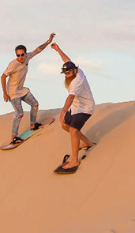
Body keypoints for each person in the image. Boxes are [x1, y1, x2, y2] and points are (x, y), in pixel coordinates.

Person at [1, 33, 56, 145]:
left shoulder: (28, 57)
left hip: (21, 90)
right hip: (13, 93)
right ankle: (13, 137)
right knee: (19, 114)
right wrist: (5, 93)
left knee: (35, 104)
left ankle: (33, 124)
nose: (20, 57)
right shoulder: (13, 64)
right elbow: (3, 77)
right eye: (18, 55)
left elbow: (38, 50)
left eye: (22, 55)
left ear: (25, 54)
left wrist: (48, 41)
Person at [50, 42, 95, 171]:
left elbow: (70, 97)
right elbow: (67, 60)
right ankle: (87, 143)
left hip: (85, 108)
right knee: (65, 126)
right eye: (65, 73)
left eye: (69, 73)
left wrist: (63, 111)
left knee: (73, 130)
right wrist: (58, 50)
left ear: (75, 71)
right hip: (75, 107)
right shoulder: (75, 69)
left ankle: (75, 161)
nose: (67, 75)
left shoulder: (77, 81)